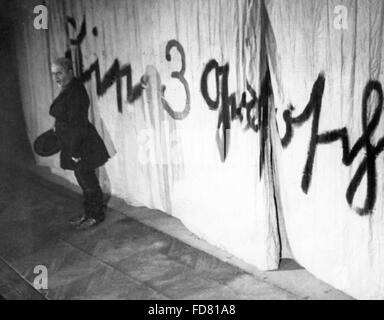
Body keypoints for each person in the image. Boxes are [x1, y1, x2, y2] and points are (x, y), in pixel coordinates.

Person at [49, 57, 110, 230]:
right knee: (83, 180)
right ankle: (89, 214)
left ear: (70, 71)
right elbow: (64, 115)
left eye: (59, 73)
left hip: (82, 144)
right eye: (54, 74)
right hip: (73, 142)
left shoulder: (75, 90)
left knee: (88, 181)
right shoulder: (68, 88)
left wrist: (75, 151)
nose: (56, 78)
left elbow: (78, 124)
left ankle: (96, 215)